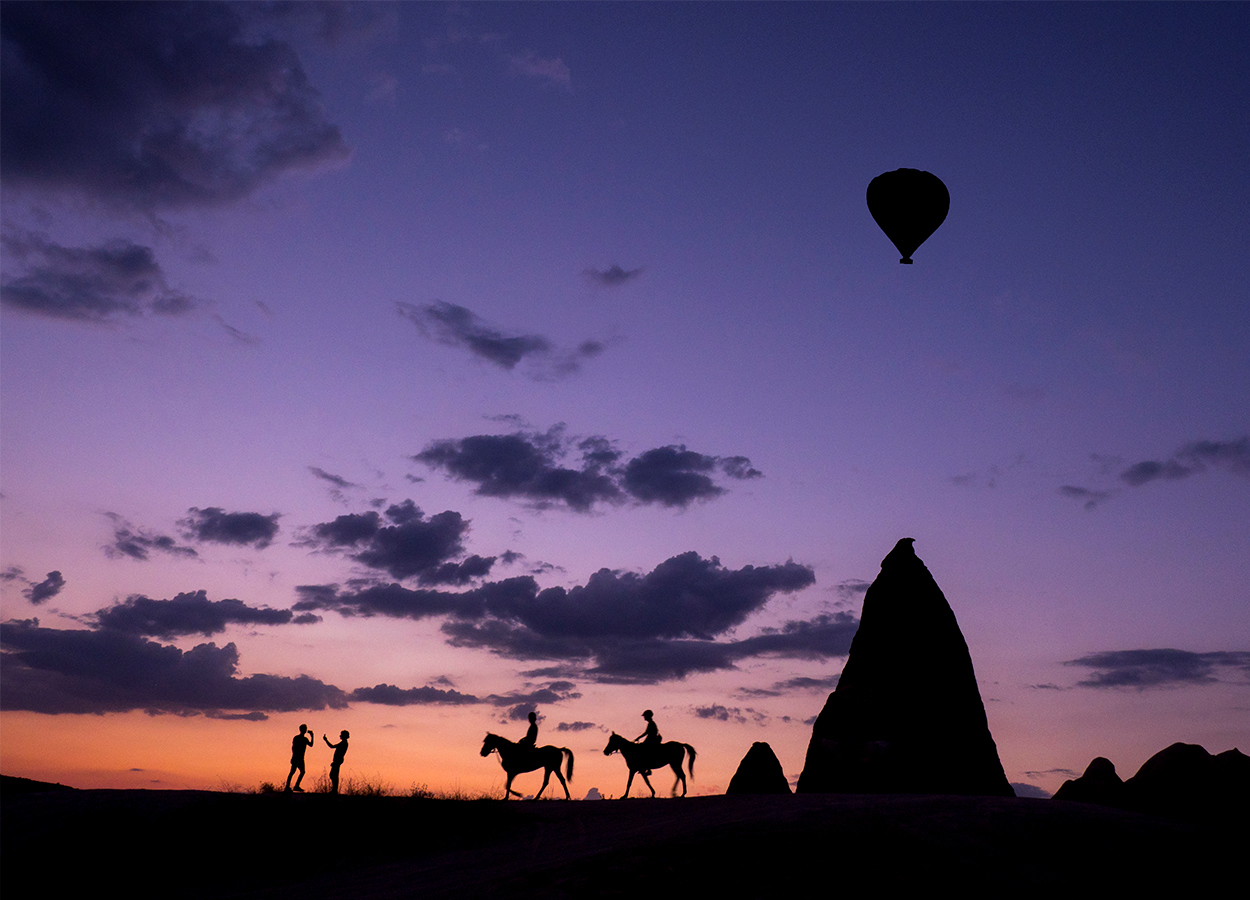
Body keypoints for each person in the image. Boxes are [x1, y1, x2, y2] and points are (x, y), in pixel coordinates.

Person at [284, 724, 314, 792]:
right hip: (297, 758)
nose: (305, 730)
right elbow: (293, 748)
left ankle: (294, 786)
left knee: (300, 772)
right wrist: (293, 756)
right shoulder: (297, 738)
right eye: (304, 728)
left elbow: (311, 745)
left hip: (300, 758)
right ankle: (289, 786)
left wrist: (312, 736)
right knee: (293, 772)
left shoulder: (304, 739)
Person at [634, 710, 661, 775]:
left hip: (652, 740)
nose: (644, 717)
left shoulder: (651, 723)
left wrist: (638, 738)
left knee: (643, 751)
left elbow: (647, 733)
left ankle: (648, 769)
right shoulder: (651, 723)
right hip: (651, 739)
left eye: (645, 716)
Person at [323, 730, 350, 794]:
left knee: (334, 775)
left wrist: (326, 740)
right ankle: (334, 789)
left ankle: (334, 790)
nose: (340, 735)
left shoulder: (344, 743)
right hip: (338, 760)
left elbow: (332, 746)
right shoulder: (343, 742)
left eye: (341, 734)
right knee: (333, 775)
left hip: (338, 760)